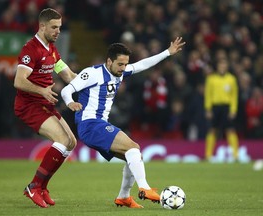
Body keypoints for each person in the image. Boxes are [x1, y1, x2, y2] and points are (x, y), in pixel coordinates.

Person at [61, 37, 185, 208]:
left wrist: (167, 53)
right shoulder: (92, 73)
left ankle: (124, 197)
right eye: (120, 64)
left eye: (126, 64)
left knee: (134, 156)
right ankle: (145, 188)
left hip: (98, 124)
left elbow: (142, 65)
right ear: (109, 61)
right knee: (132, 147)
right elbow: (66, 90)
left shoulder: (120, 71)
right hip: (90, 124)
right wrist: (70, 103)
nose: (123, 68)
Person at [14, 8, 77, 208]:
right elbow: (19, 81)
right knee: (61, 140)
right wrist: (41, 90)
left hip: (43, 104)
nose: (58, 31)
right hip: (29, 105)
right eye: (54, 27)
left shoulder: (51, 49)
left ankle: (42, 187)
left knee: (71, 142)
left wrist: (92, 81)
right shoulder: (30, 49)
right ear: (42, 26)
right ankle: (34, 186)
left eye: (59, 27)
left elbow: (67, 75)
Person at [204, 58, 239, 161]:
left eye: (224, 65)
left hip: (226, 107)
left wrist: (233, 110)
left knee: (230, 130)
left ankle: (236, 155)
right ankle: (208, 155)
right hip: (215, 107)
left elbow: (234, 96)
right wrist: (208, 109)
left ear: (227, 66)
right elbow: (208, 95)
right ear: (217, 67)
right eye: (221, 65)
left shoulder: (231, 79)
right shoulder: (211, 79)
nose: (222, 67)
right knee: (213, 130)